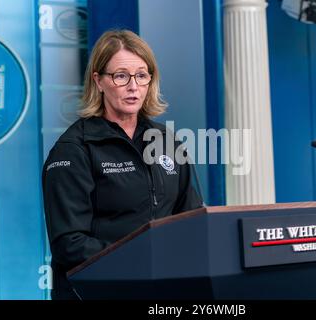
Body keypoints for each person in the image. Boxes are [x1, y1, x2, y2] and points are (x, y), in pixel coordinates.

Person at [42, 29, 203, 300]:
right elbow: (69, 244)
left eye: (142, 75)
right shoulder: (74, 148)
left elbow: (191, 219)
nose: (133, 86)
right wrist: (143, 259)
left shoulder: (167, 141)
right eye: (121, 76)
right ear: (98, 81)